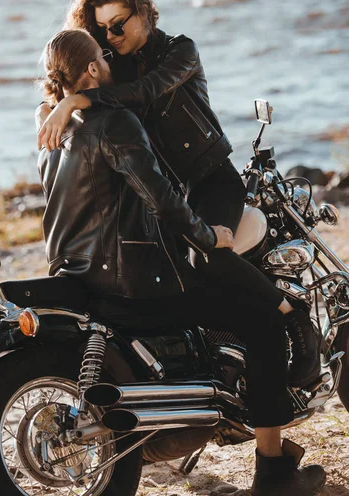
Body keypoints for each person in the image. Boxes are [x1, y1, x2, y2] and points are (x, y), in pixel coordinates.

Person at [37, 27, 326, 496]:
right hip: (135, 284)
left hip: (83, 275)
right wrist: (207, 234)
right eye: (103, 59)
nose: (111, 63)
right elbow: (163, 199)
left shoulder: (51, 131)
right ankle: (273, 472)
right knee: (262, 323)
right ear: (91, 69)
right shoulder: (115, 123)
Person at [36, 0, 320, 389]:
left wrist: (80, 99)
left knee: (207, 252)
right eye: (101, 29)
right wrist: (59, 104)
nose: (111, 36)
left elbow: (149, 90)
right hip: (172, 189)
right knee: (184, 278)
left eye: (119, 24)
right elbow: (81, 71)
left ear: (144, 12)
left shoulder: (179, 51)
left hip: (211, 179)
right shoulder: (112, 66)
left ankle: (292, 318)